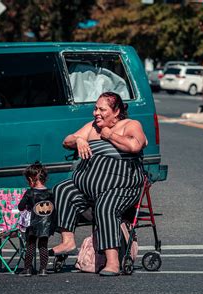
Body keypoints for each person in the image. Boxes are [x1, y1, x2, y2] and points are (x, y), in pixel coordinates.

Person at [52, 92, 146, 277]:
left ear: (116, 111)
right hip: (90, 188)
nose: (96, 113)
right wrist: (79, 139)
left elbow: (135, 146)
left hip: (122, 186)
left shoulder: (130, 125)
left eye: (102, 109)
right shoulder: (92, 127)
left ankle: (112, 262)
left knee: (105, 205)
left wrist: (110, 135)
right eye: (95, 108)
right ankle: (68, 241)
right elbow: (66, 140)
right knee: (62, 189)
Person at [18, 162, 55, 277]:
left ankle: (27, 269)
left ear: (30, 179)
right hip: (46, 223)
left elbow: (21, 207)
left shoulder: (30, 193)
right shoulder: (50, 193)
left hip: (32, 224)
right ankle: (43, 269)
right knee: (43, 246)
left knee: (30, 246)